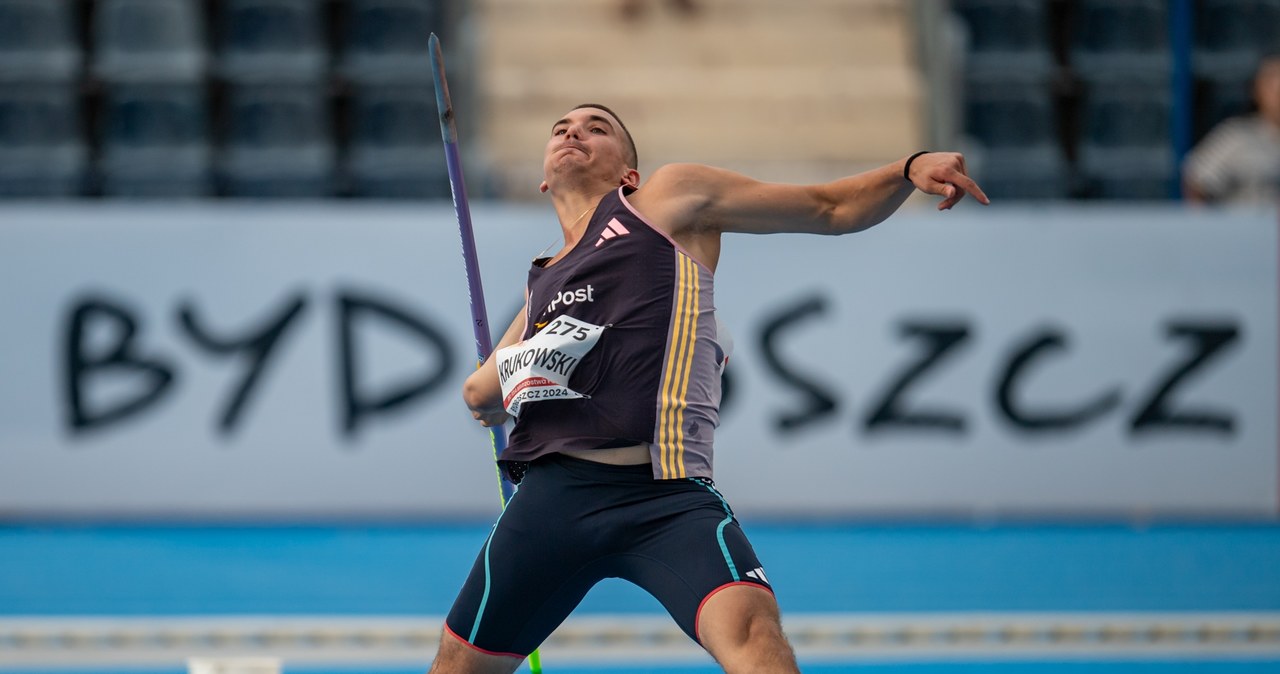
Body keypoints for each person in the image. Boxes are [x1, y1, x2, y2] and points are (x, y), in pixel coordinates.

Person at [428, 103, 988, 674]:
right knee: (456, 664)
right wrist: (529, 364)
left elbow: (830, 207)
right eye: (561, 129)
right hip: (554, 498)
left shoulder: (664, 201)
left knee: (754, 636)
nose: (574, 131)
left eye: (598, 128)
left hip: (667, 496)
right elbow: (479, 395)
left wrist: (907, 167)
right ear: (545, 176)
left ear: (629, 174)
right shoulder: (542, 280)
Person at [1183, 52, 1280, 204]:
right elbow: (1196, 180)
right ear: (1257, 90)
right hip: (1247, 225)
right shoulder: (1236, 136)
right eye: (1271, 83)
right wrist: (1204, 225)